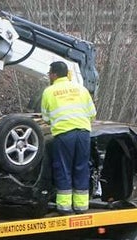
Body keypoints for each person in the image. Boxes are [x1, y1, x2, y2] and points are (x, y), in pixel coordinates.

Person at [40, 60, 96, 214]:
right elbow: (92, 114)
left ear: (54, 74)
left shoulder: (49, 92)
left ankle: (65, 207)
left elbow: (46, 117)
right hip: (83, 133)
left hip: (64, 133)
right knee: (81, 167)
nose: (49, 76)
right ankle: (81, 206)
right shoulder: (81, 89)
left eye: (49, 73)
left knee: (64, 168)